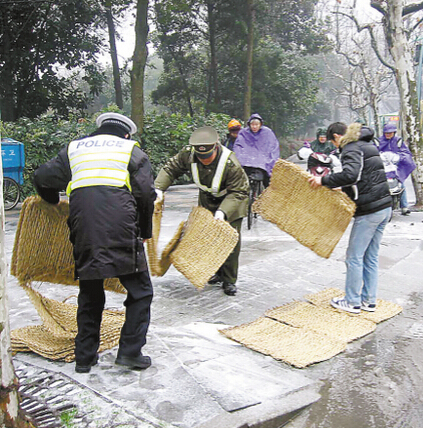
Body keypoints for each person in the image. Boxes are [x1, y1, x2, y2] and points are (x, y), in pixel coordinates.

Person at [33, 112, 156, 373]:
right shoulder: (131, 150)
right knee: (140, 291)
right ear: (125, 134)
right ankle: (130, 353)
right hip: (122, 229)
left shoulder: (74, 150)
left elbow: (42, 177)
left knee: (90, 293)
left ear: (98, 131)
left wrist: (52, 202)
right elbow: (145, 194)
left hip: (84, 229)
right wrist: (145, 230)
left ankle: (84, 358)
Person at [154, 126, 249, 296]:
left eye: (208, 156)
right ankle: (215, 272)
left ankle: (229, 280)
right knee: (209, 238)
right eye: (200, 156)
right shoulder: (188, 154)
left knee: (229, 241)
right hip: (207, 198)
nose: (204, 160)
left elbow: (239, 191)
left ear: (216, 148)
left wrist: (222, 212)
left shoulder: (230, 163)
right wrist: (159, 188)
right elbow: (171, 168)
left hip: (231, 200)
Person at [308, 122, 392, 314]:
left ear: (337, 137)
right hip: (384, 207)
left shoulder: (351, 147)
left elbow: (351, 174)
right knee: (370, 256)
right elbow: (364, 176)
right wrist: (342, 187)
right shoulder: (367, 144)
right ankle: (368, 301)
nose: (336, 147)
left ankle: (352, 301)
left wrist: (324, 180)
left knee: (354, 257)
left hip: (369, 210)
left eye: (334, 142)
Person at [377, 123, 416, 215]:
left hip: (396, 168)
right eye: (386, 133)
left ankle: (404, 206)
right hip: (383, 168)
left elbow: (406, 153)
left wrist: (399, 158)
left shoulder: (398, 142)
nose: (388, 135)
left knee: (401, 185)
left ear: (394, 132)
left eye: (390, 133)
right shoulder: (379, 141)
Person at [233, 113, 280, 188]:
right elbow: (238, 146)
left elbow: (273, 147)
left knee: (269, 183)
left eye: (256, 124)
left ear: (260, 124)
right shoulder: (243, 133)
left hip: (263, 161)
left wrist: (271, 160)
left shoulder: (267, 133)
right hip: (247, 161)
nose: (254, 127)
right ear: (249, 124)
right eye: (252, 124)